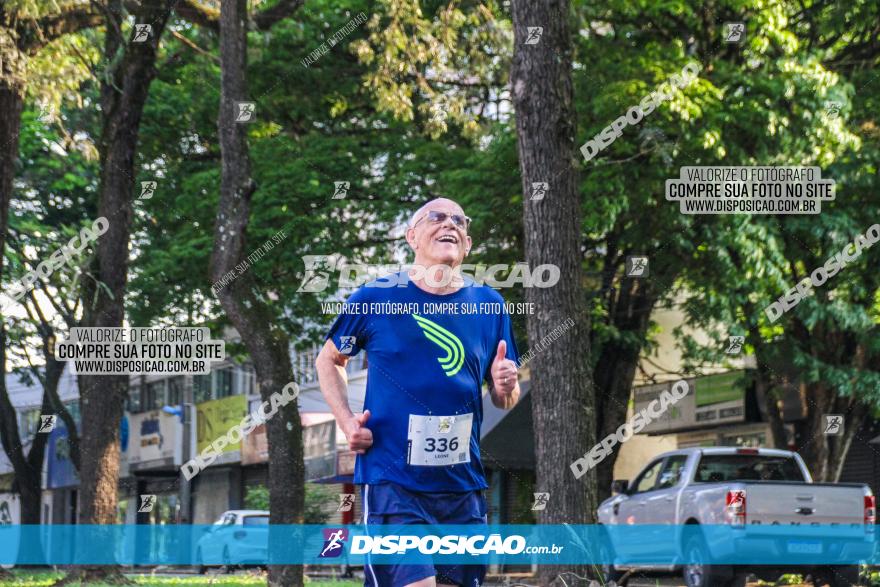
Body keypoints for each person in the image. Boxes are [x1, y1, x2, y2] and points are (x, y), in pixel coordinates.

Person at [316, 198, 521, 587]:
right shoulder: (374, 298)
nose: (450, 224)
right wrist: (346, 422)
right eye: (437, 217)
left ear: (468, 244)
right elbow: (329, 361)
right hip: (394, 479)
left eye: (459, 220)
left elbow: (503, 398)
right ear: (412, 236)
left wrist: (504, 386)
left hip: (462, 484)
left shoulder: (489, 306)